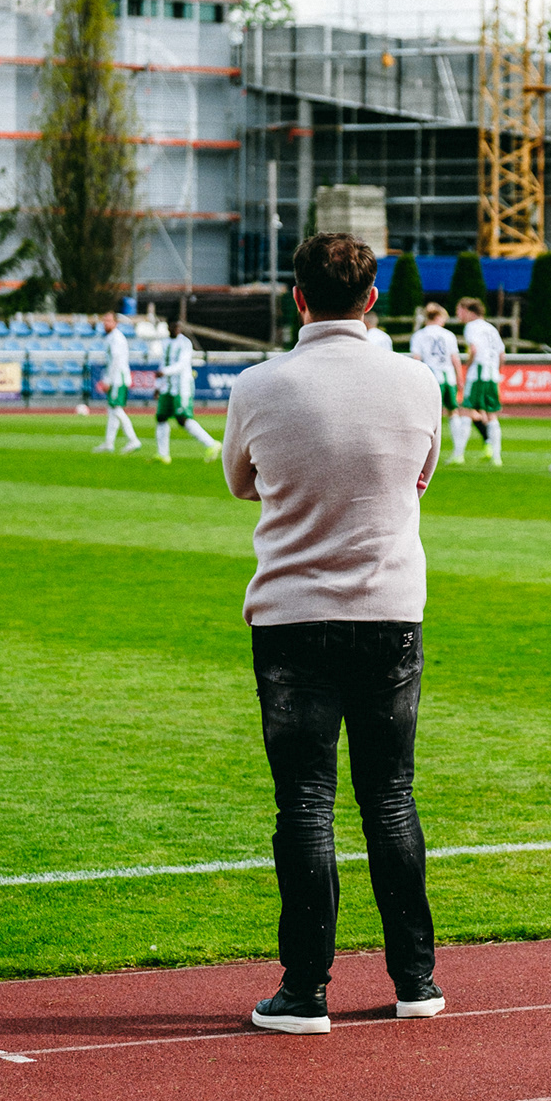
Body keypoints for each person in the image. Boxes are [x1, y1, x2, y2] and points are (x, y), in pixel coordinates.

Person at [223, 231, 445, 1034]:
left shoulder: (259, 383)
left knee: (306, 806)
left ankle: (306, 989)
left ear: (297, 297)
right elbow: (422, 474)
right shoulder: (417, 381)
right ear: (373, 299)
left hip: (293, 617)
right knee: (390, 798)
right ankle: (416, 980)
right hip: (389, 611)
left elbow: (240, 481)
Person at [155, 320, 222, 464]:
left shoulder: (185, 343)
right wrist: (158, 385)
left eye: (178, 326)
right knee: (161, 417)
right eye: (173, 326)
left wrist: (164, 372)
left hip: (181, 386)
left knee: (182, 418)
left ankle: (211, 444)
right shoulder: (165, 342)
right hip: (167, 386)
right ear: (169, 327)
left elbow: (182, 364)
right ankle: (163, 455)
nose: (176, 329)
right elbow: (163, 362)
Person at [453, 297, 505, 465]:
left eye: (459, 310)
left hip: (478, 373)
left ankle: (458, 455)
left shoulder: (472, 327)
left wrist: (467, 366)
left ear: (468, 311)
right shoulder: (491, 328)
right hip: (492, 374)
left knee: (467, 410)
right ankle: (496, 457)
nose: (458, 315)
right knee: (491, 415)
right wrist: (497, 371)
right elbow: (501, 354)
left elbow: (474, 349)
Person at [91, 310, 143, 454]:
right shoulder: (111, 337)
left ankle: (133, 440)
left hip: (117, 378)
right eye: (104, 320)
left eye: (108, 320)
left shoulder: (116, 338)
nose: (105, 323)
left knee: (116, 409)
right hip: (116, 377)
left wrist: (107, 380)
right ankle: (109, 443)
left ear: (115, 323)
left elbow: (115, 361)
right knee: (112, 410)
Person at [409, 304, 461, 433]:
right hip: (449, 376)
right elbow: (455, 358)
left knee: (430, 411)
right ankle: (459, 447)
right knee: (453, 410)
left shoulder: (419, 335)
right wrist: (460, 377)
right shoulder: (448, 335)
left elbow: (417, 359)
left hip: (432, 376)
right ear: (437, 317)